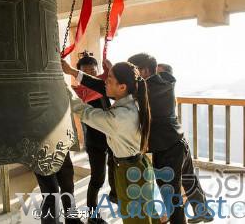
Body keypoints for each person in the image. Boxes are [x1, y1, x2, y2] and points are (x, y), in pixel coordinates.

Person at [63, 60, 161, 224]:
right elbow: (100, 85)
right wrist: (72, 72)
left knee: (135, 219)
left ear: (122, 87)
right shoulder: (133, 99)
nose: (105, 81)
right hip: (139, 165)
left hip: (130, 172)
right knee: (146, 215)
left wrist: (63, 87)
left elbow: (84, 112)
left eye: (109, 78)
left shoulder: (119, 117)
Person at [128, 53, 212, 224]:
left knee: (170, 194)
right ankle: (203, 212)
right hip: (179, 141)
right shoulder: (168, 80)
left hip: (165, 147)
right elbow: (163, 73)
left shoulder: (144, 88)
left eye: (134, 71)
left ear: (143, 71)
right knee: (189, 179)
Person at [71, 52, 117, 224]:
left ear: (98, 69)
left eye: (93, 69)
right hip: (94, 141)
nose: (90, 72)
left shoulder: (105, 86)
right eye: (85, 70)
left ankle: (115, 195)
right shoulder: (80, 91)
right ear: (80, 73)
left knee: (115, 168)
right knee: (97, 178)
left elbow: (118, 93)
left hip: (112, 137)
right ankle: (92, 215)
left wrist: (111, 70)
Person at [34, 152, 84, 224]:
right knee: (51, 195)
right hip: (40, 152)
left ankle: (72, 220)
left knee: (68, 186)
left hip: (61, 147)